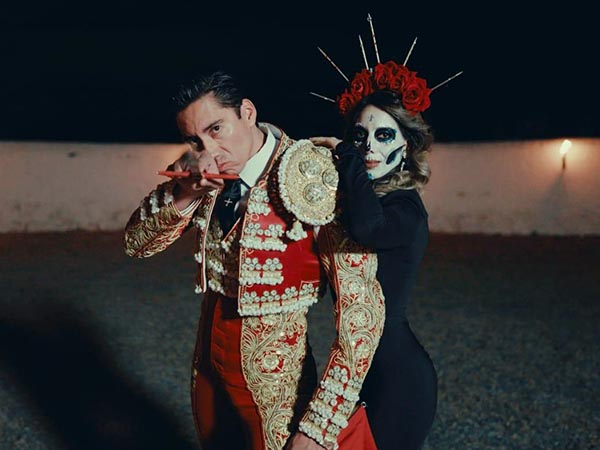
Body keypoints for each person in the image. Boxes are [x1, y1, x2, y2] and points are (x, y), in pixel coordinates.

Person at [123, 70, 385, 450]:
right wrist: (185, 192)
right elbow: (136, 244)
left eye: (216, 129)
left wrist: (319, 425)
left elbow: (362, 314)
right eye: (195, 140)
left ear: (247, 112)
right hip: (207, 365)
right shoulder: (202, 175)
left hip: (278, 384)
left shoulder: (315, 176)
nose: (210, 150)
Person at [310, 60, 440, 450]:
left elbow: (368, 228)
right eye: (359, 135)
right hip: (354, 369)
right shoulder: (358, 204)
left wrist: (346, 155)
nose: (368, 148)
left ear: (407, 145)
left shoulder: (406, 208)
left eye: (384, 135)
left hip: (401, 382)